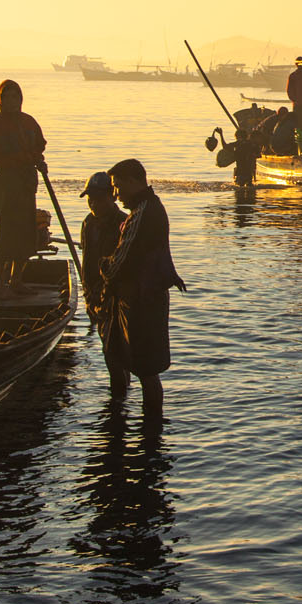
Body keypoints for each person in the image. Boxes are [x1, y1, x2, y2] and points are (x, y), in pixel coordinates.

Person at [102, 158, 185, 416]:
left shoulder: (143, 213)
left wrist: (104, 268)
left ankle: (150, 425)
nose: (116, 194)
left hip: (142, 299)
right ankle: (150, 426)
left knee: (146, 369)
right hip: (145, 295)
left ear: (134, 182)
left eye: (118, 186)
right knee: (143, 367)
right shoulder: (148, 208)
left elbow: (122, 258)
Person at [0, 79, 48, 299]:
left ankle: (16, 280)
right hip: (5, 184)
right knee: (5, 232)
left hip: (26, 182)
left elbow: (38, 147)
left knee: (26, 231)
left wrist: (38, 161)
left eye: (15, 97)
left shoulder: (28, 122)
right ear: (0, 100)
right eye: (7, 98)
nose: (12, 102)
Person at [78, 171, 128, 396]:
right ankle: (118, 396)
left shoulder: (123, 223)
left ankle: (120, 397)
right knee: (109, 352)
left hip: (118, 298)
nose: (93, 204)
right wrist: (89, 296)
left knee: (117, 353)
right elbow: (87, 262)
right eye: (90, 199)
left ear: (112, 197)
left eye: (98, 198)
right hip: (97, 297)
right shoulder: (88, 223)